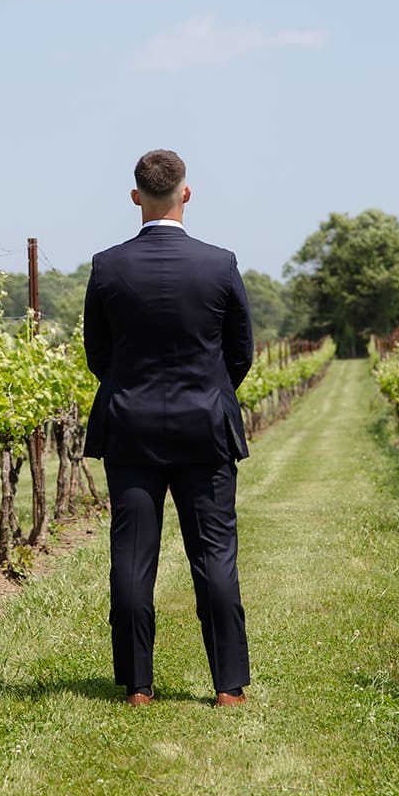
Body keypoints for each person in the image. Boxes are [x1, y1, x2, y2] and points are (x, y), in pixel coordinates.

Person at [82, 149, 255, 707]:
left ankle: (138, 687)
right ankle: (228, 687)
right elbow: (241, 353)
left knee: (132, 559)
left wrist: (134, 387)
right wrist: (207, 392)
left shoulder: (107, 266)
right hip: (205, 428)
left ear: (136, 197)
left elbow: (97, 355)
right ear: (186, 192)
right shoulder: (219, 262)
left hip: (130, 428)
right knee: (215, 557)